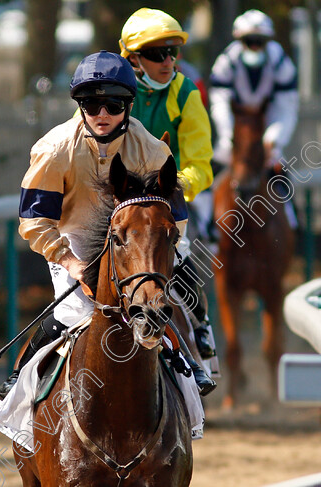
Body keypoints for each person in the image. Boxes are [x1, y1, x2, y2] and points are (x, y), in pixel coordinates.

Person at [0, 51, 216, 399]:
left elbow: (177, 218)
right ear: (79, 105)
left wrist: (157, 258)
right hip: (73, 239)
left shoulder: (152, 150)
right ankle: (22, 377)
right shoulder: (54, 150)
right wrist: (70, 262)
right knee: (75, 310)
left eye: (113, 105)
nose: (101, 115)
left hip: (138, 240)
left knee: (158, 299)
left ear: (128, 105)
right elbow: (35, 221)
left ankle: (186, 366)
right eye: (90, 104)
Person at [119, 7, 216, 360]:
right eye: (158, 54)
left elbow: (201, 163)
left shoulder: (186, 92)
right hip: (112, 199)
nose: (169, 61)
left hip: (164, 198)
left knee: (183, 256)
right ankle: (27, 368)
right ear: (133, 58)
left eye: (173, 52)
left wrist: (176, 183)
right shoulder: (108, 90)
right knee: (71, 279)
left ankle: (201, 328)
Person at [207, 9, 300, 231]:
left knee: (279, 169)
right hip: (235, 128)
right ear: (241, 41)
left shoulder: (282, 64)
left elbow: (287, 108)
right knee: (212, 168)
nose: (255, 45)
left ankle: (292, 223)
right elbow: (219, 101)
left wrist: (273, 139)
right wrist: (228, 134)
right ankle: (206, 223)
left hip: (266, 126)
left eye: (260, 41)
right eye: (250, 41)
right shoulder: (225, 62)